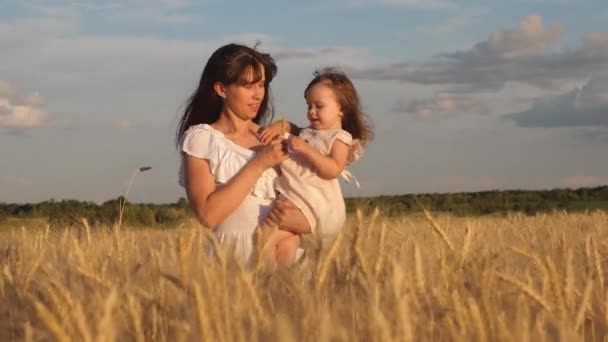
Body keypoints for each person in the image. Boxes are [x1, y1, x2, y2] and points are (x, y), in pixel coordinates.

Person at [176, 43, 310, 263]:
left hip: (283, 260)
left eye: (261, 85)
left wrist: (302, 223)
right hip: (232, 262)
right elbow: (208, 215)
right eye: (248, 86)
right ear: (221, 89)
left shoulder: (277, 139)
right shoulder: (202, 139)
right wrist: (259, 163)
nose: (258, 95)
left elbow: (318, 206)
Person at [258, 67, 374, 267]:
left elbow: (333, 169)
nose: (311, 112)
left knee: (263, 238)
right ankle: (283, 282)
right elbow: (293, 129)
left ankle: (264, 278)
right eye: (308, 105)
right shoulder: (309, 133)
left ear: (341, 109)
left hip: (317, 206)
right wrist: (282, 126)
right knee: (287, 241)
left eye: (318, 106)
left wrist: (306, 150)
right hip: (298, 200)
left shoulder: (340, 138)